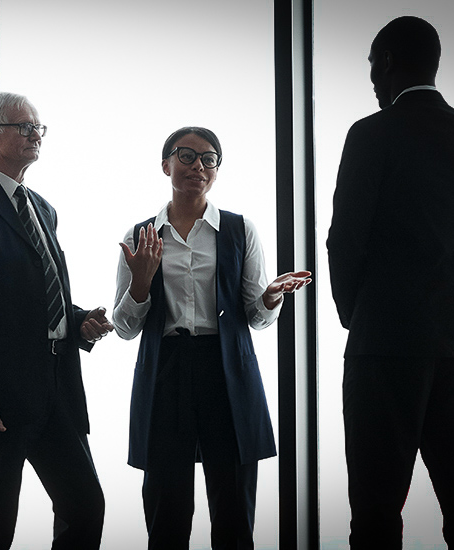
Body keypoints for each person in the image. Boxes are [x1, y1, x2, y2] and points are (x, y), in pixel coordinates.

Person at [327, 16, 454, 548]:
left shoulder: (371, 133)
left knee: (377, 510)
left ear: (387, 62)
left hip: (386, 345)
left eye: (373, 68)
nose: (373, 83)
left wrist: (358, 318)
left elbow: (345, 241)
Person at [0, 90, 112, 550]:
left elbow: (33, 295)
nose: (36, 135)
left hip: (58, 386)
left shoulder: (43, 208)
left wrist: (78, 320)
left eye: (38, 128)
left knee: (85, 505)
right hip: (0, 398)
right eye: (24, 127)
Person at [112, 127, 310, 548]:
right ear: (165, 165)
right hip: (166, 371)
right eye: (185, 156)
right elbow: (125, 328)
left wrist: (271, 297)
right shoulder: (141, 236)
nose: (197, 166)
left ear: (217, 170)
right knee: (167, 508)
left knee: (234, 507)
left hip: (226, 372)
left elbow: (255, 317)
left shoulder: (239, 230)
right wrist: (141, 285)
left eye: (208, 158)